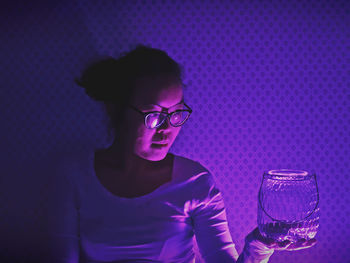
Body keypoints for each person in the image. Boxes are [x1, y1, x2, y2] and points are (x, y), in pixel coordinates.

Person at [46, 44, 316, 263]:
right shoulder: (74, 176)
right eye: (154, 115)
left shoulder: (195, 181)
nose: (167, 129)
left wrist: (258, 246)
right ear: (115, 110)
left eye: (176, 114)